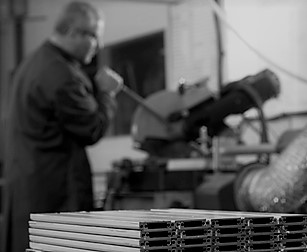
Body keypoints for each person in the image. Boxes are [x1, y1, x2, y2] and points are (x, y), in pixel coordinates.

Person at [1, 1, 123, 252]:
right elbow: (92, 127)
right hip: (54, 201)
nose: (98, 46)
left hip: (29, 194)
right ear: (72, 32)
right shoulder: (62, 74)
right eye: (94, 37)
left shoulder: (33, 64)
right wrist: (107, 94)